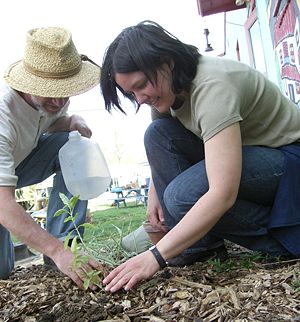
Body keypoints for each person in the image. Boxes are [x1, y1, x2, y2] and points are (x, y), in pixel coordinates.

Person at [100, 20, 300, 293]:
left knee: (182, 196)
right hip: (252, 152)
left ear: (166, 61)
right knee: (157, 133)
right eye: (131, 93)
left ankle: (283, 239)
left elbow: (222, 193)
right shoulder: (166, 91)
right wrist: (153, 196)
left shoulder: (212, 86)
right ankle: (200, 246)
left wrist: (155, 256)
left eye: (142, 85)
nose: (140, 98)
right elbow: (163, 141)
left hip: (289, 159)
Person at [0, 26, 104, 289]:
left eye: (65, 91)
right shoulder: (4, 116)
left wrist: (73, 120)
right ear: (29, 83)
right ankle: (59, 252)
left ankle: (66, 241)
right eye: (50, 91)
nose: (58, 102)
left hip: (18, 165)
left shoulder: (52, 103)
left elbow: (49, 125)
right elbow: (3, 202)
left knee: (69, 145)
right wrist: (58, 252)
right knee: (2, 271)